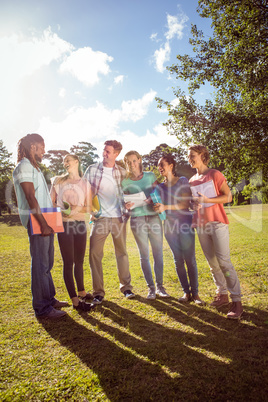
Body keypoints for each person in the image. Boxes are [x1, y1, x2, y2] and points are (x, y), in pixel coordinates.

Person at [12, 134, 68, 320]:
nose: (44, 150)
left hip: (47, 219)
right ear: (33, 146)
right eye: (42, 146)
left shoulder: (34, 167)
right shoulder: (25, 166)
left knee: (47, 263)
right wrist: (43, 223)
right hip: (38, 221)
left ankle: (49, 299)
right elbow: (30, 197)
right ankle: (42, 308)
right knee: (40, 264)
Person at [188, 144, 243, 319]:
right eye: (188, 156)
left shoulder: (214, 174)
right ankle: (222, 295)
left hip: (217, 223)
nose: (189, 159)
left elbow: (228, 196)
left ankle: (237, 301)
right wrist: (193, 204)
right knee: (213, 264)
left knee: (224, 262)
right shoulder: (192, 180)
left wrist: (208, 199)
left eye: (192, 155)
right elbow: (194, 203)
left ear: (203, 155)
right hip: (201, 225)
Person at [84, 140, 135, 304]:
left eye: (108, 151)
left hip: (119, 218)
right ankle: (98, 292)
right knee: (94, 253)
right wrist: (90, 210)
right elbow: (84, 191)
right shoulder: (92, 169)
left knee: (122, 253)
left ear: (116, 154)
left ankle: (126, 288)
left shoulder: (122, 172)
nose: (104, 153)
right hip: (100, 219)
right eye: (104, 150)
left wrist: (128, 203)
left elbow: (126, 193)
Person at [154, 155, 204, 305]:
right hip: (169, 227)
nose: (160, 168)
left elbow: (184, 204)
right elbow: (159, 206)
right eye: (158, 166)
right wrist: (156, 207)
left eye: (162, 164)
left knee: (190, 259)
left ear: (171, 165)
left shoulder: (182, 181)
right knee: (178, 260)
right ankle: (186, 292)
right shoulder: (160, 187)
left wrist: (165, 207)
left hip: (185, 224)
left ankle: (195, 294)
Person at [50, 154, 95, 312]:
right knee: (68, 262)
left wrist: (75, 209)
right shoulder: (58, 181)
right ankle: (75, 301)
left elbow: (90, 208)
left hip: (80, 224)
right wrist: (61, 212)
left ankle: (82, 291)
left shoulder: (85, 183)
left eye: (68, 160)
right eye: (64, 161)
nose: (65, 163)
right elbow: (51, 203)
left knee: (79, 261)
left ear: (77, 162)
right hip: (64, 225)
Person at [122, 151, 169, 300]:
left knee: (158, 253)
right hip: (137, 219)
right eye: (128, 162)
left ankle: (160, 287)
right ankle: (151, 289)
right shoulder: (124, 181)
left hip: (154, 217)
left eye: (134, 161)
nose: (132, 164)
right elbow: (123, 202)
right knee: (144, 255)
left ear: (139, 160)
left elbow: (158, 191)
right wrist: (126, 205)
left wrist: (151, 197)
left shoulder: (150, 176)